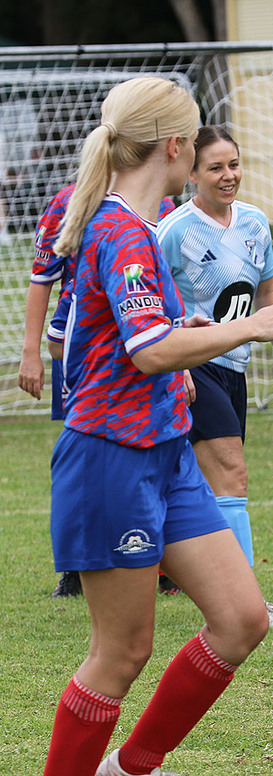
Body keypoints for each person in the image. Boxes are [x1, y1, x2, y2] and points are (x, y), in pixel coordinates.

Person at [41, 76, 273, 775]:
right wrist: (252, 326)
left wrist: (188, 327)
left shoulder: (142, 230)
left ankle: (132, 766)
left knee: (242, 619)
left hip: (167, 453)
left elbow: (124, 335)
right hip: (111, 462)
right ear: (178, 147)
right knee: (121, 654)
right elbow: (146, 350)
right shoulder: (121, 231)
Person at [158, 126, 273, 628]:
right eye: (216, 167)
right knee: (231, 472)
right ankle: (246, 603)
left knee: (198, 481)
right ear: (192, 174)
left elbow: (268, 293)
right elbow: (153, 310)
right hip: (194, 363)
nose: (229, 176)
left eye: (234, 164)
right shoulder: (173, 231)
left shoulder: (255, 223)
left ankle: (157, 562)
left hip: (234, 367)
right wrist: (176, 365)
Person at [19, 183, 176, 600]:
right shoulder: (70, 201)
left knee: (162, 447)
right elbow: (42, 278)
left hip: (148, 344)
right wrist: (30, 354)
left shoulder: (164, 202)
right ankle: (75, 566)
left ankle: (163, 560)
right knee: (86, 448)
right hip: (88, 352)